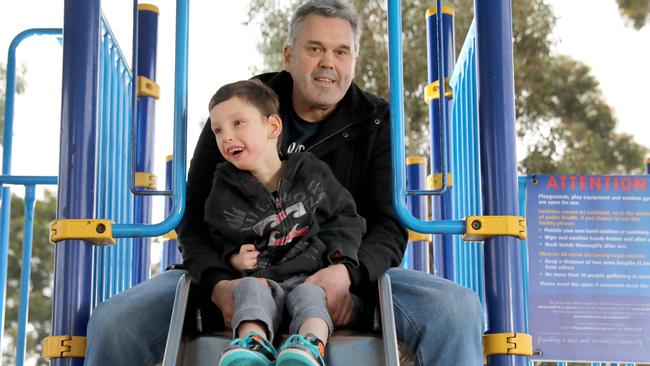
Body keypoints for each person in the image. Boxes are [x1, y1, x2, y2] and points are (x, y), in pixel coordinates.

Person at [85, 1, 484, 365]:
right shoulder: (238, 112)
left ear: (354, 61)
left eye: (341, 51)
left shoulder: (376, 121)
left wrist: (346, 276)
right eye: (315, 49)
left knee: (457, 309)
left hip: (341, 274)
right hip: (240, 277)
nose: (328, 62)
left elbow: (389, 224)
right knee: (113, 323)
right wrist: (218, 282)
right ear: (290, 56)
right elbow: (192, 219)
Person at [203, 79, 365, 366]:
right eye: (218, 130)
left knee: (311, 294)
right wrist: (233, 256)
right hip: (263, 282)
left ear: (272, 127)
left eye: (238, 123)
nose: (226, 137)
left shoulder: (309, 171)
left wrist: (339, 259)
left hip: (310, 275)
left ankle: (309, 347)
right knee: (249, 291)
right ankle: (253, 346)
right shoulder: (224, 188)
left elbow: (345, 217)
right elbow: (215, 233)